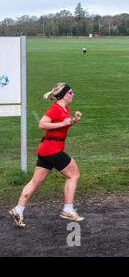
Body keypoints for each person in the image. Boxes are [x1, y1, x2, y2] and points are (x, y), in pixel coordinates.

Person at [9, 83, 84, 228]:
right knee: (74, 175)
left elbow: (62, 126)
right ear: (63, 95)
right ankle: (68, 209)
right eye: (70, 92)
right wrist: (63, 122)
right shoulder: (55, 108)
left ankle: (18, 210)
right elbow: (42, 124)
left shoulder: (65, 107)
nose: (73, 94)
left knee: (35, 182)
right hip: (52, 149)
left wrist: (73, 120)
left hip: (46, 149)